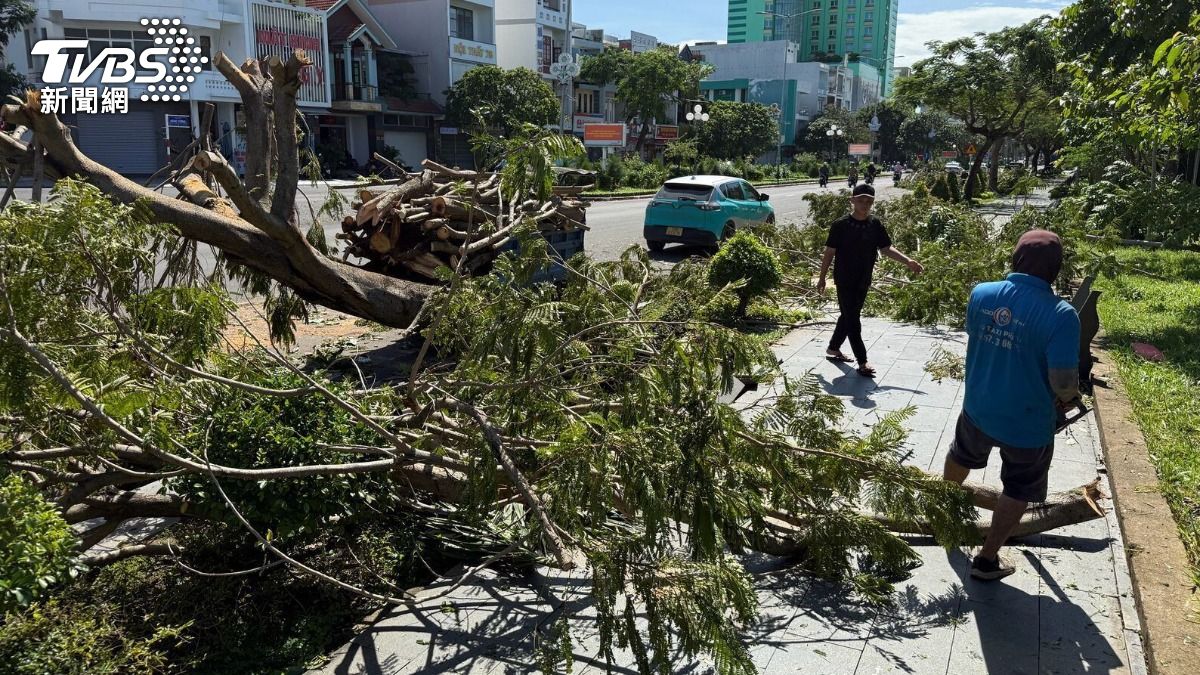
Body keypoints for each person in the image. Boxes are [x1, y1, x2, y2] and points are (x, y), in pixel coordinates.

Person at [942, 230, 1081, 581]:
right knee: (1019, 486)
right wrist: (1071, 398)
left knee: (961, 455)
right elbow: (1064, 382)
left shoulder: (982, 293)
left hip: (979, 407)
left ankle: (942, 512)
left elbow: (979, 336)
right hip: (1027, 424)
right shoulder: (1062, 315)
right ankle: (986, 560)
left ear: (1016, 258)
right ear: (1055, 268)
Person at [817, 184, 924, 376]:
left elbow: (886, 248)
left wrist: (908, 261)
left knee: (848, 315)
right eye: (861, 200)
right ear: (852, 201)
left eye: (869, 201)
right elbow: (829, 252)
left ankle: (833, 348)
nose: (865, 204)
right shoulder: (840, 225)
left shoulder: (875, 224)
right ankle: (862, 361)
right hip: (844, 279)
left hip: (864, 279)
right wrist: (822, 278)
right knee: (853, 319)